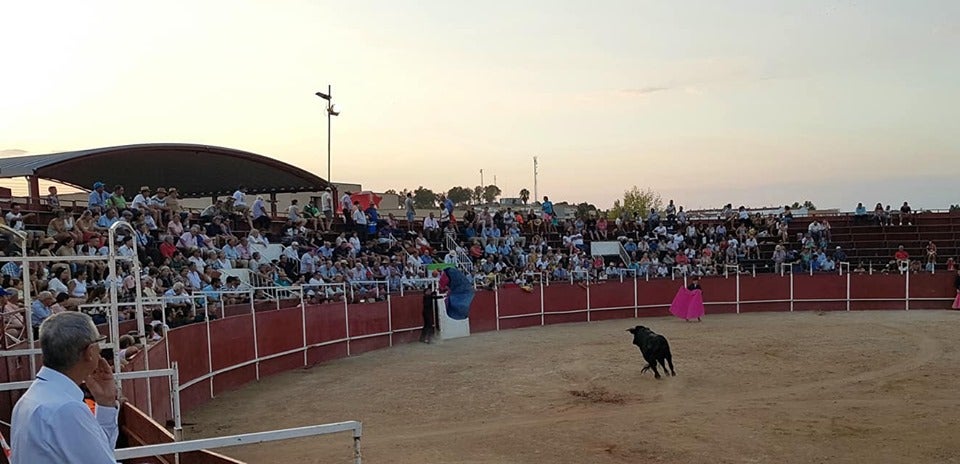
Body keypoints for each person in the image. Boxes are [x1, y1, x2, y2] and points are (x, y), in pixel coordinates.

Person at [10, 311, 119, 463]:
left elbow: (97, 452)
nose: (100, 350)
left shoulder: (34, 397)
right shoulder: (66, 408)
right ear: (89, 352)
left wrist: (105, 402)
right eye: (98, 343)